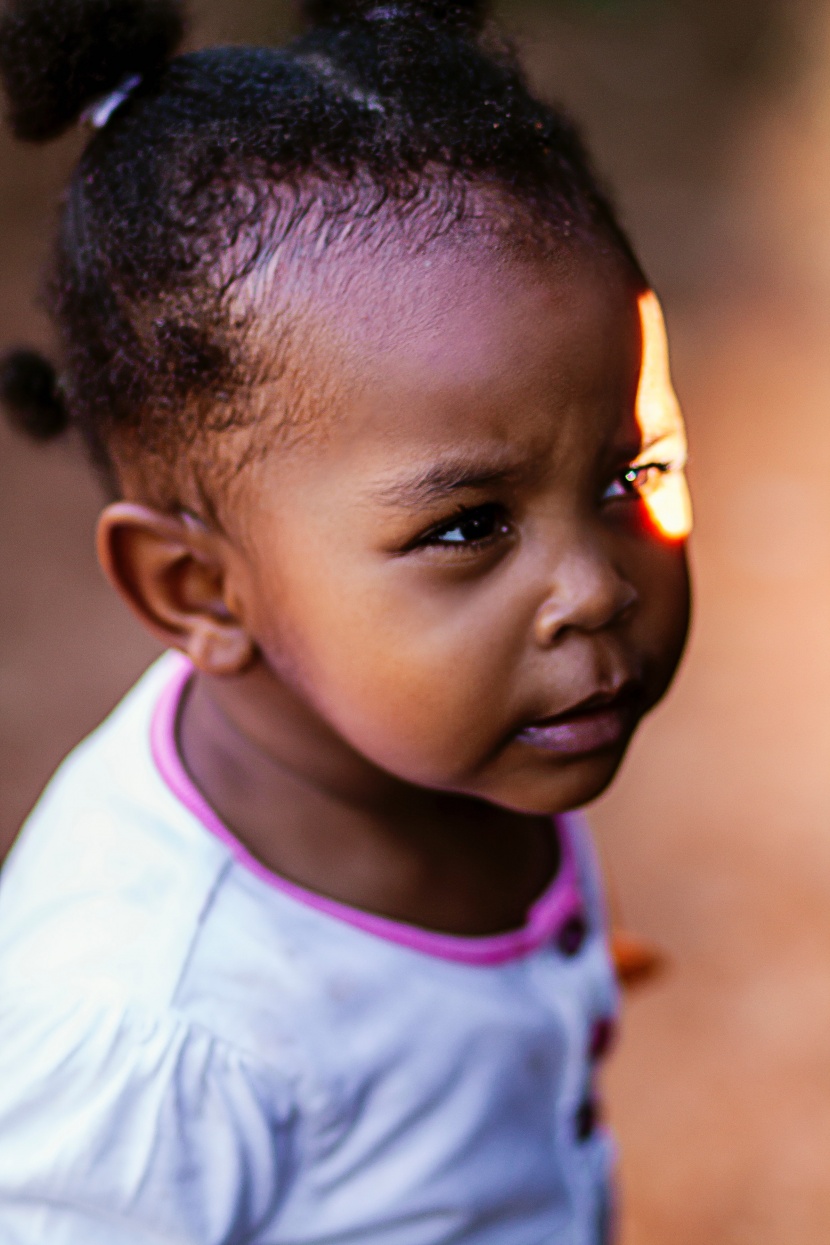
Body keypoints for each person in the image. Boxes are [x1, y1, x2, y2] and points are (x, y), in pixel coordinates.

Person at [0, 0, 692, 1239]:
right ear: (199, 591)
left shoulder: (453, 735)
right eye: (467, 526)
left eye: (624, 474)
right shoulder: (150, 1043)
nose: (596, 585)